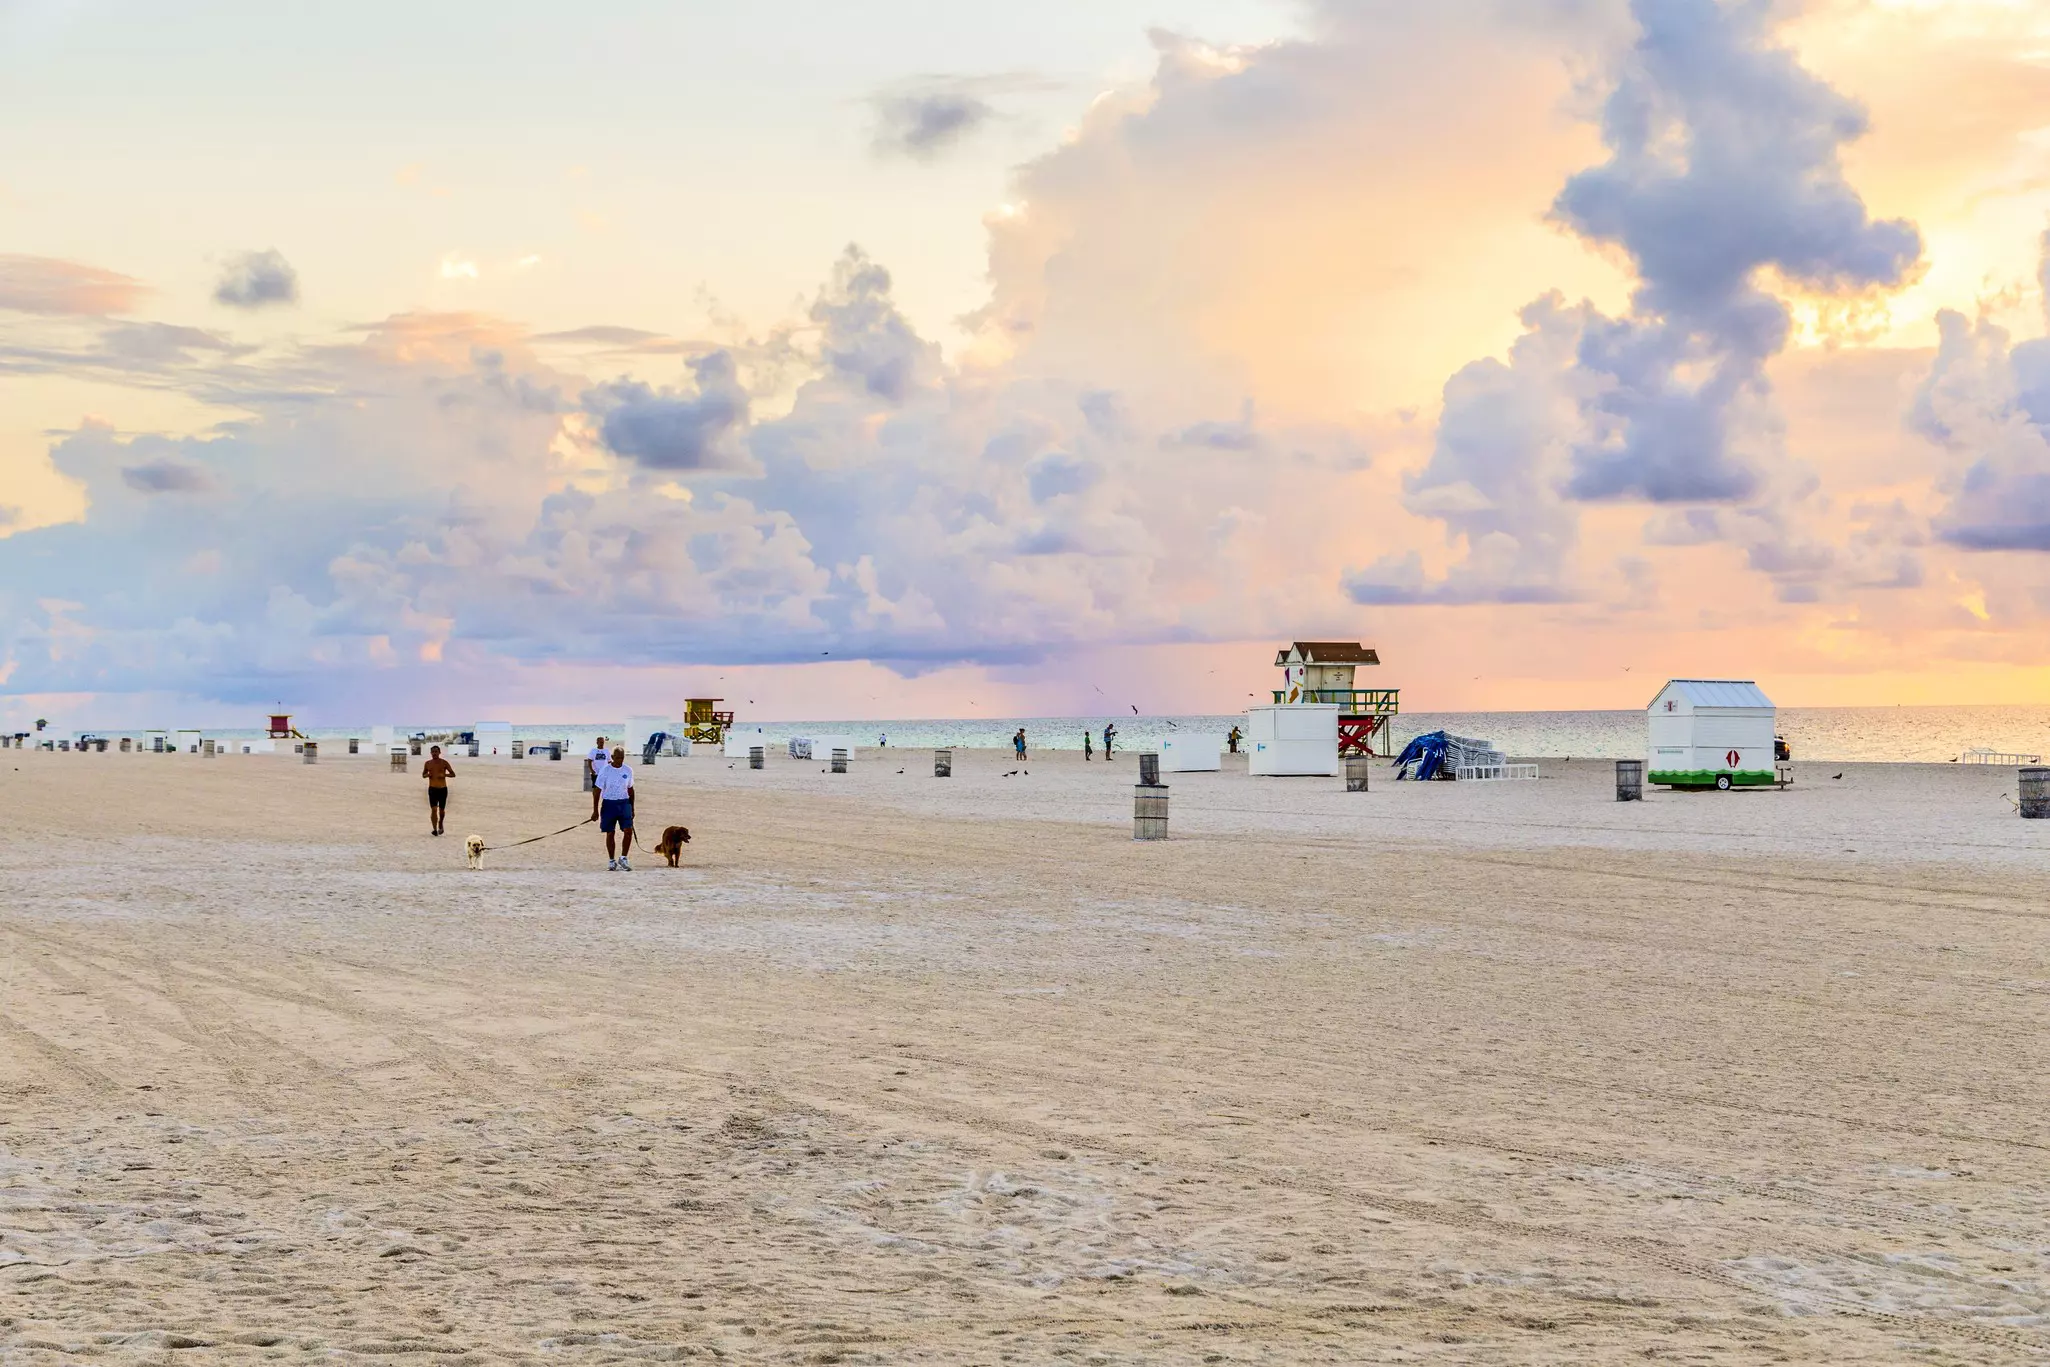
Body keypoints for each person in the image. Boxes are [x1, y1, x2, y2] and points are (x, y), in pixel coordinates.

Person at [591, 745, 636, 870]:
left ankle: (623, 858)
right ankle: (611, 860)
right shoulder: (605, 770)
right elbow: (597, 791)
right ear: (612, 757)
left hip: (624, 803)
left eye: (622, 758)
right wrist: (595, 810)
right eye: (617, 758)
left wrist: (632, 807)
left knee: (628, 831)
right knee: (610, 833)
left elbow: (631, 789)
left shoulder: (628, 770)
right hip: (609, 803)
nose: (619, 761)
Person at [422, 744, 454, 836]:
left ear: (439, 752)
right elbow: (423, 775)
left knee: (441, 811)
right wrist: (427, 775)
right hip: (432, 789)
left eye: (436, 752)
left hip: (442, 789)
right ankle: (434, 829)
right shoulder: (427, 763)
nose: (434, 753)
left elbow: (453, 774)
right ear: (431, 753)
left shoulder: (444, 763)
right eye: (433, 752)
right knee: (434, 810)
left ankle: (440, 823)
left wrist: (444, 775)